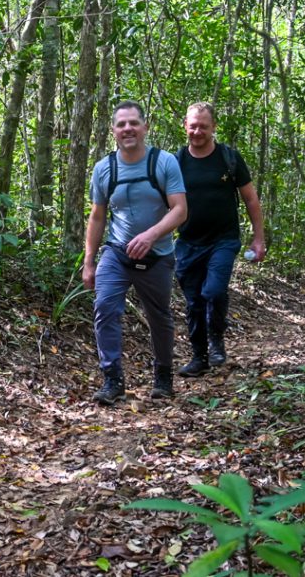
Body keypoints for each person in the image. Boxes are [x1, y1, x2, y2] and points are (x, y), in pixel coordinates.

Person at [82, 101, 188, 404]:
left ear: (144, 127)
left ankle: (163, 376)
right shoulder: (104, 169)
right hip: (117, 252)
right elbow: (98, 216)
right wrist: (89, 261)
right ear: (114, 131)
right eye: (121, 124)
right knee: (105, 308)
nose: (127, 129)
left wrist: (151, 235)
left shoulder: (164, 162)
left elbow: (180, 209)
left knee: (159, 316)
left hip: (157, 255)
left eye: (133, 123)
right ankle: (112, 379)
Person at [174, 102, 266, 378]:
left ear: (214, 127)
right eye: (193, 126)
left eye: (204, 126)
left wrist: (258, 238)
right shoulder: (176, 161)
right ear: (185, 126)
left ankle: (216, 339)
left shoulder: (230, 158)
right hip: (188, 242)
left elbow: (250, 199)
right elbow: (163, 202)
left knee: (213, 291)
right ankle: (198, 356)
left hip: (223, 240)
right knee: (193, 302)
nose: (198, 131)